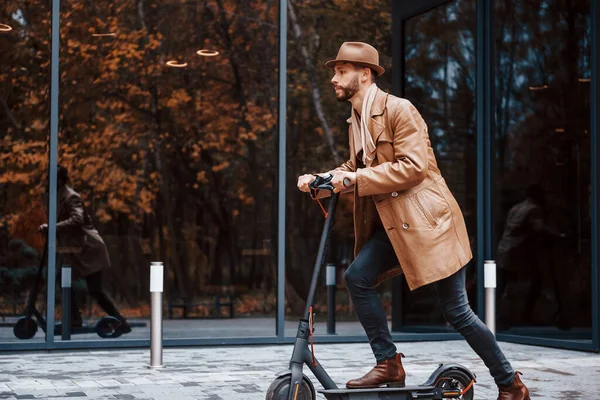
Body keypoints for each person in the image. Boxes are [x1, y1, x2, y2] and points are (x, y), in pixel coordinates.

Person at [297, 42, 529, 400]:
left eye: (341, 71)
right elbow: (355, 169)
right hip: (396, 227)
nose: (334, 79)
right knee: (357, 276)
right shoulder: (356, 120)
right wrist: (321, 179)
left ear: (365, 73)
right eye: (334, 71)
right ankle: (389, 363)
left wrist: (354, 180)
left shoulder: (399, 110)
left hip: (430, 224)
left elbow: (413, 167)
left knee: (457, 311)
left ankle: (510, 384)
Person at [39, 165, 131, 334]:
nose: (47, 182)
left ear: (61, 180)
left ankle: (120, 321)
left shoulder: (71, 197)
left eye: (51, 179)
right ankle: (75, 319)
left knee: (94, 289)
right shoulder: (57, 196)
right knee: (63, 278)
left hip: (90, 249)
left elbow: (77, 220)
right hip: (76, 250)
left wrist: (51, 227)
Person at [496, 184, 567, 329]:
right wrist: (559, 236)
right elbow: (539, 228)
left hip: (504, 249)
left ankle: (502, 315)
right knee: (533, 281)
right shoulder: (534, 209)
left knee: (506, 284)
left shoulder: (516, 207)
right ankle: (521, 315)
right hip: (516, 252)